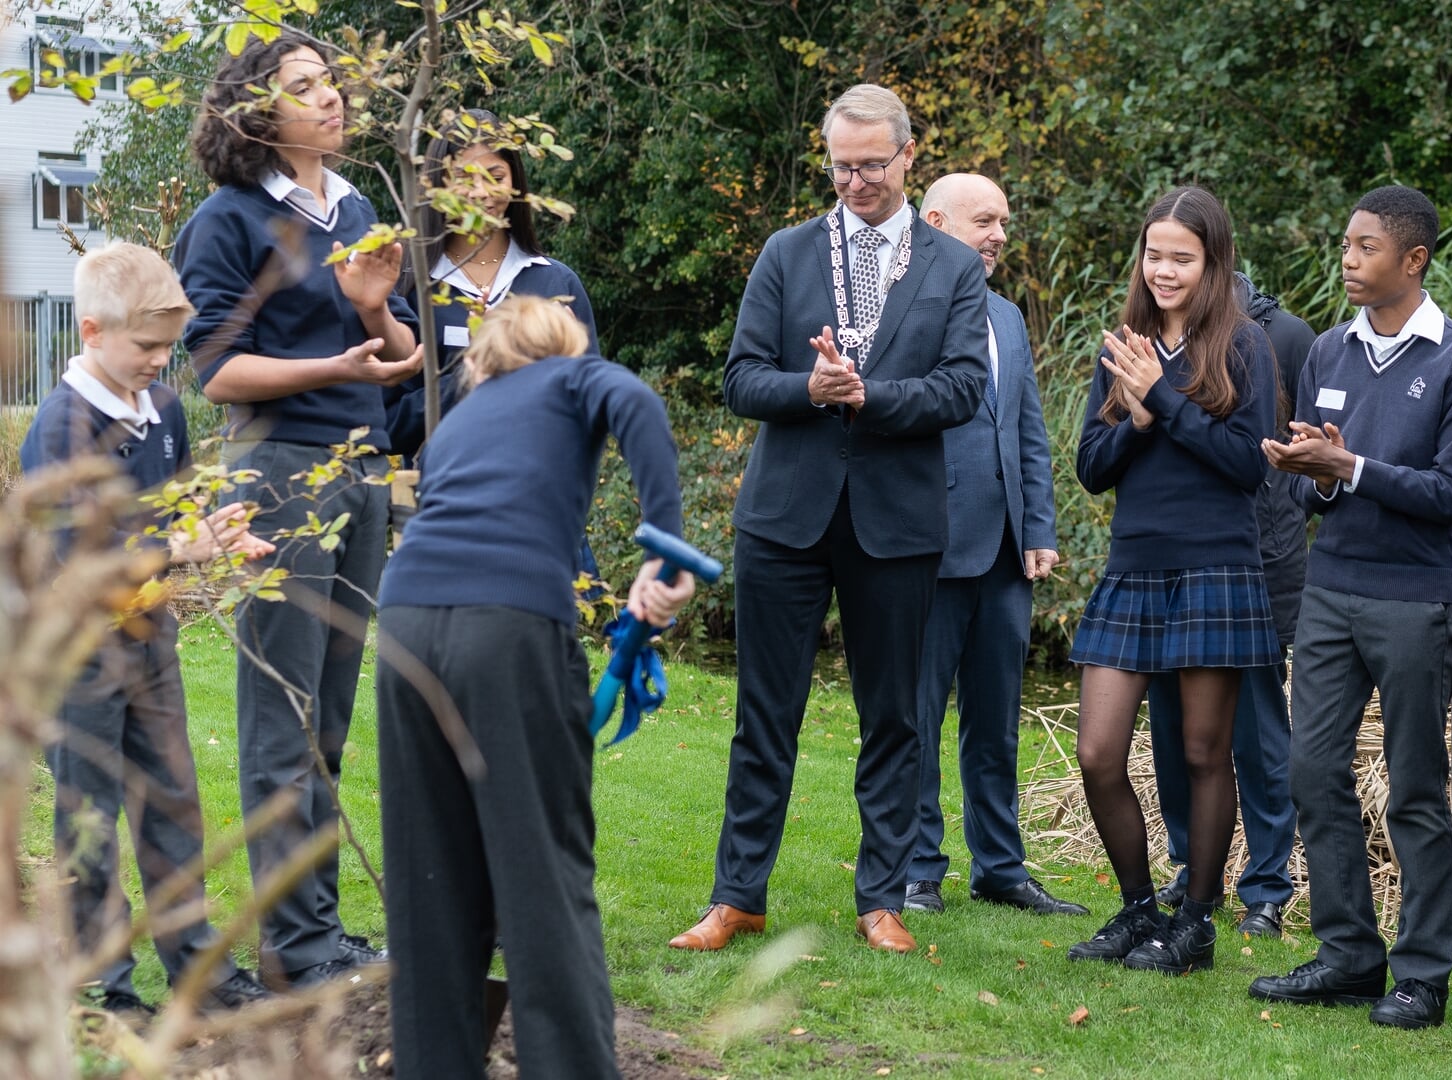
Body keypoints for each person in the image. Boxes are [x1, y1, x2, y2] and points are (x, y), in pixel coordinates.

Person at [670, 84, 988, 956]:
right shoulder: (785, 251)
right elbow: (739, 379)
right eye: (841, 166)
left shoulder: (954, 267)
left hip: (897, 523)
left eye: (871, 166)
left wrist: (870, 395)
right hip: (784, 519)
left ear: (908, 158)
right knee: (764, 715)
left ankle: (880, 898)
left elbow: (963, 388)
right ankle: (737, 897)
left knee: (894, 717)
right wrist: (810, 389)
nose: (854, 182)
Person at [376, 296, 689, 1079]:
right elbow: (637, 400)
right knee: (544, 874)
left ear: (484, 357)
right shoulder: (572, 377)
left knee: (430, 880)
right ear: (563, 345)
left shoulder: (460, 422)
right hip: (507, 625)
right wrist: (664, 548)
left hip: (406, 625)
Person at [172, 35, 421, 990]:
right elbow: (216, 371)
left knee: (329, 719)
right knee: (283, 718)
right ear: (256, 110)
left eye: (333, 82)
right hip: (277, 472)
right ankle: (298, 946)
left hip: (360, 473)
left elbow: (396, 359)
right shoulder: (230, 218)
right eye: (305, 86)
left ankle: (312, 933)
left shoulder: (354, 209)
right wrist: (333, 365)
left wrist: (372, 311)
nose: (331, 99)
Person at [1254, 185, 1452, 1030]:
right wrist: (1309, 471)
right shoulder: (1327, 350)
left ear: (1413, 260)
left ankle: (1423, 973)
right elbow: (1322, 489)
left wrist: (1348, 466)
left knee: (1414, 790)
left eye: (1364, 248)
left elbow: (1447, 495)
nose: (1348, 261)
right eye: (1346, 246)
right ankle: (1347, 957)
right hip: (1329, 593)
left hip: (1413, 601)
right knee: (1311, 771)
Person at [21, 243, 276, 1016]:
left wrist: (215, 532)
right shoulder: (61, 427)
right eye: (145, 347)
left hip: (149, 639)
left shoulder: (161, 409)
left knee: (172, 803)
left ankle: (199, 974)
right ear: (92, 331)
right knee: (88, 817)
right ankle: (104, 988)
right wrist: (182, 547)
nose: (162, 362)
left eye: (169, 347)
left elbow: (169, 512)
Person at [1065, 185, 1279, 974]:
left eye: (1180, 258)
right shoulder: (1123, 345)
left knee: (1200, 754)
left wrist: (1164, 400)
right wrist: (1132, 417)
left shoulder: (1244, 346)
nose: (1162, 270)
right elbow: (1090, 468)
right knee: (1097, 752)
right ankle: (1134, 910)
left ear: (1212, 261)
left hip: (1216, 567)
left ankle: (1194, 922)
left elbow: (1246, 466)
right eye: (1153, 254)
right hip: (1134, 569)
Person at [901, 173, 1083, 918]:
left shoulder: (1006, 317)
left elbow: (1026, 430)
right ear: (936, 222)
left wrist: (1037, 528)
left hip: (1005, 554)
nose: (1000, 233)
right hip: (921, 546)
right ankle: (915, 870)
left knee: (995, 720)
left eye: (1005, 219)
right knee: (912, 717)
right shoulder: (899, 306)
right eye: (985, 220)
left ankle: (1000, 868)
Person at [1146, 272, 1312, 937]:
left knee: (1257, 732)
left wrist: (1284, 526)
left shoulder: (1285, 336)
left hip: (1260, 562)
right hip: (1166, 564)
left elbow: (1308, 449)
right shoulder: (1152, 332)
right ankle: (1193, 869)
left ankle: (1267, 887)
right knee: (1172, 730)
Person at [383, 107, 599, 460]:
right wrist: (472, 373)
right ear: (439, 185)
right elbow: (390, 426)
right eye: (464, 178)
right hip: (442, 498)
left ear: (515, 181)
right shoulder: (411, 283)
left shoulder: (554, 283)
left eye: (495, 175)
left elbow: (591, 413)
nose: (481, 192)